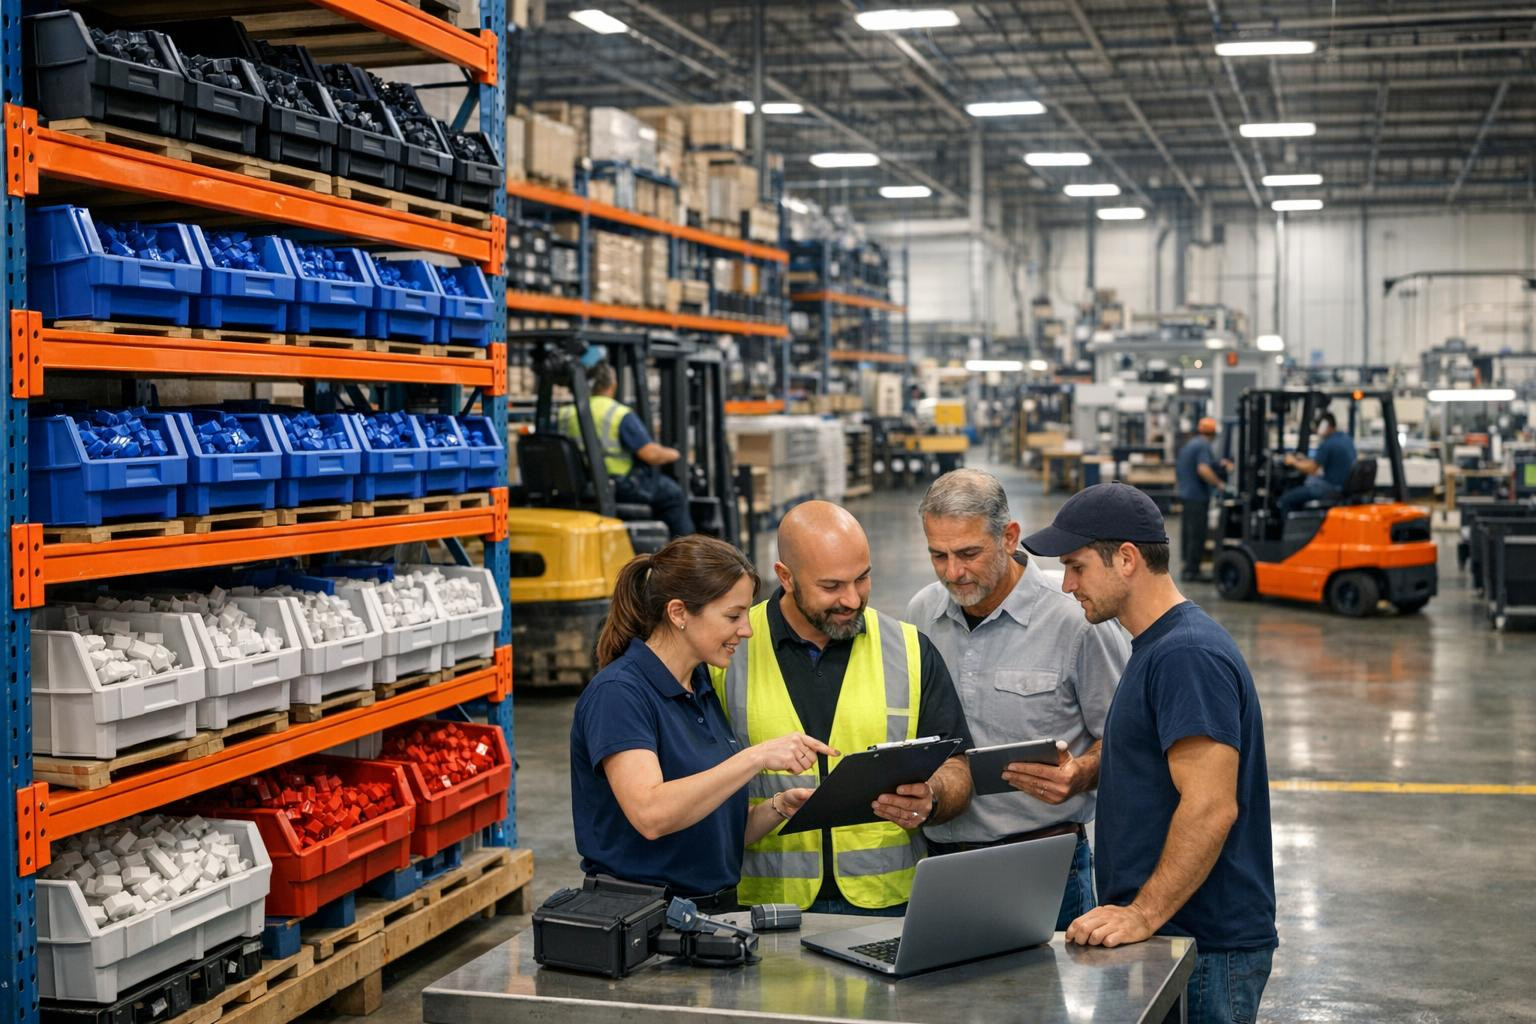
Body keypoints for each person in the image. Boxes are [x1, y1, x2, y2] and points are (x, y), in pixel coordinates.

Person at [1022, 483, 1277, 1024]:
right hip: (1175, 939)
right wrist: (1083, 775)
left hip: (1205, 947)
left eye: (1077, 566)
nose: (1067, 585)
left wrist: (1143, 914)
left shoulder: (1186, 655)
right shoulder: (1156, 646)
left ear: (1128, 559)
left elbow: (1211, 805)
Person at [717, 501, 974, 915]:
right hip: (764, 907)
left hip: (889, 904)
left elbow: (958, 765)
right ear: (785, 577)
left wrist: (933, 796)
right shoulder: (730, 651)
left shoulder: (909, 650)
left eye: (862, 578)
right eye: (831, 586)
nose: (852, 599)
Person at [906, 469, 1129, 932]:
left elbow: (1129, 741)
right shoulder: (922, 613)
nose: (953, 572)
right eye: (938, 555)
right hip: (940, 865)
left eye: (969, 553)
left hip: (1043, 867)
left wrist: (1080, 773)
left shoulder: (1076, 620)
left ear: (1009, 537)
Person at [569, 535, 837, 911]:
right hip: (643, 919)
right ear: (678, 613)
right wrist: (755, 758)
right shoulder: (619, 693)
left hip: (711, 911)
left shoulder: (700, 686)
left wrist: (776, 807)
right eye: (732, 615)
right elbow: (651, 814)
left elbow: (707, 826)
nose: (746, 629)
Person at [559, 361, 694, 537]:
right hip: (618, 485)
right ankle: (686, 552)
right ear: (613, 386)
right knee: (673, 494)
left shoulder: (567, 413)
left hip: (581, 484)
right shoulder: (617, 413)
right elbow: (650, 454)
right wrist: (675, 453)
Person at [1175, 417, 1231, 582]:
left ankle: (1188, 568)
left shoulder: (1192, 444)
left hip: (1187, 495)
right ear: (1213, 433)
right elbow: (1203, 469)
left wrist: (1219, 465)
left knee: (1189, 533)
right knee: (1197, 535)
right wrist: (1220, 484)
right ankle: (1193, 571)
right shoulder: (1203, 445)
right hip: (1197, 497)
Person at [1278, 410, 1356, 513]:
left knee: (1285, 500)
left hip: (1330, 489)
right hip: (1339, 488)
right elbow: (1316, 462)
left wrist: (1293, 462)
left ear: (1325, 426)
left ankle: (1288, 528)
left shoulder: (1328, 444)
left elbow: (1312, 469)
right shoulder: (1345, 438)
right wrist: (1302, 460)